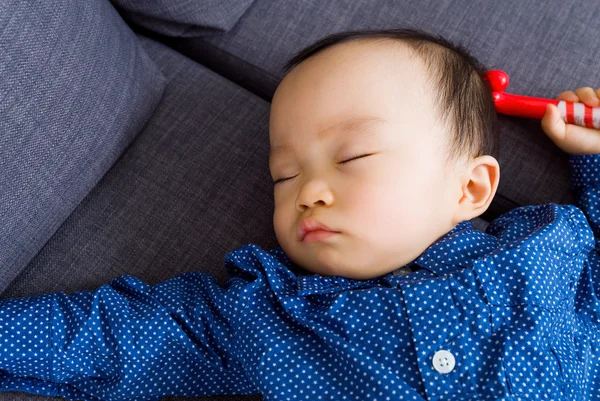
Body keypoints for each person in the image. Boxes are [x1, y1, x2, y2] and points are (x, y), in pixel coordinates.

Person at [1, 27, 599, 401]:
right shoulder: (267, 315)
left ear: (470, 189)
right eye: (283, 176)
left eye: (353, 155)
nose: (307, 191)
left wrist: (594, 159)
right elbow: (113, 339)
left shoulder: (545, 252)